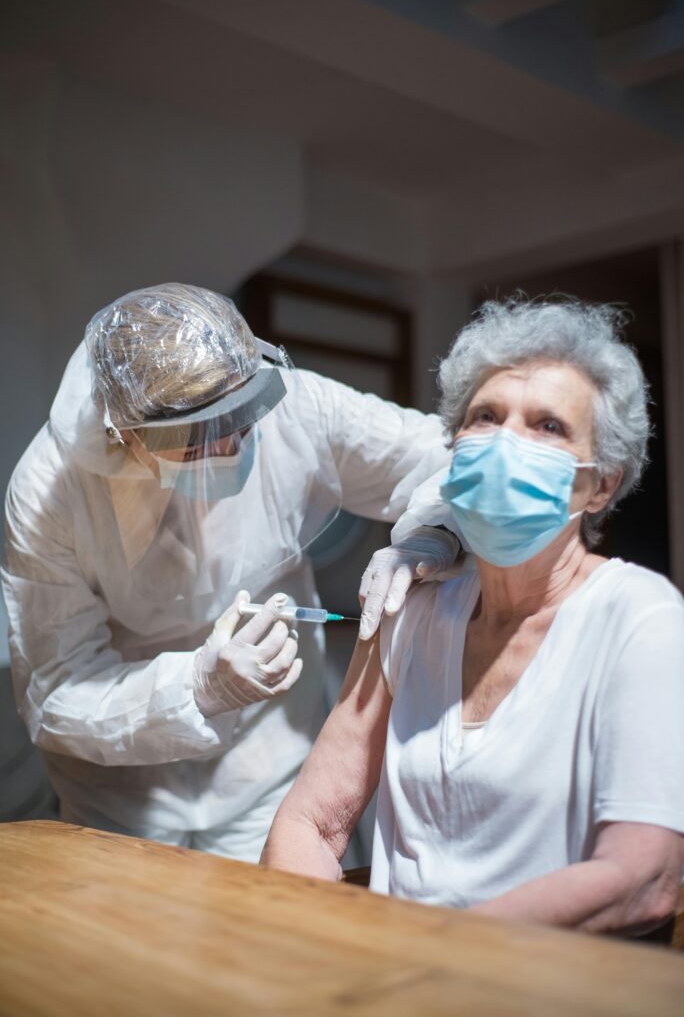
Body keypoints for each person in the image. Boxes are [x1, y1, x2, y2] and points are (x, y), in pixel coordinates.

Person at [262, 297, 684, 935]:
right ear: (454, 448)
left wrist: (441, 956)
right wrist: (314, 950)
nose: (508, 441)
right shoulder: (410, 608)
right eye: (487, 416)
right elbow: (311, 823)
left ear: (601, 483)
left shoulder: (638, 620)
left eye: (548, 426)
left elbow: (644, 879)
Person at [1, 282, 460, 860]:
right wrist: (195, 687)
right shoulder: (53, 493)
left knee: (271, 934)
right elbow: (56, 691)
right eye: (198, 440)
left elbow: (448, 459)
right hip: (121, 790)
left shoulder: (302, 409)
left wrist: (435, 529)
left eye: (243, 417)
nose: (233, 445)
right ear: (128, 437)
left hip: (269, 767)